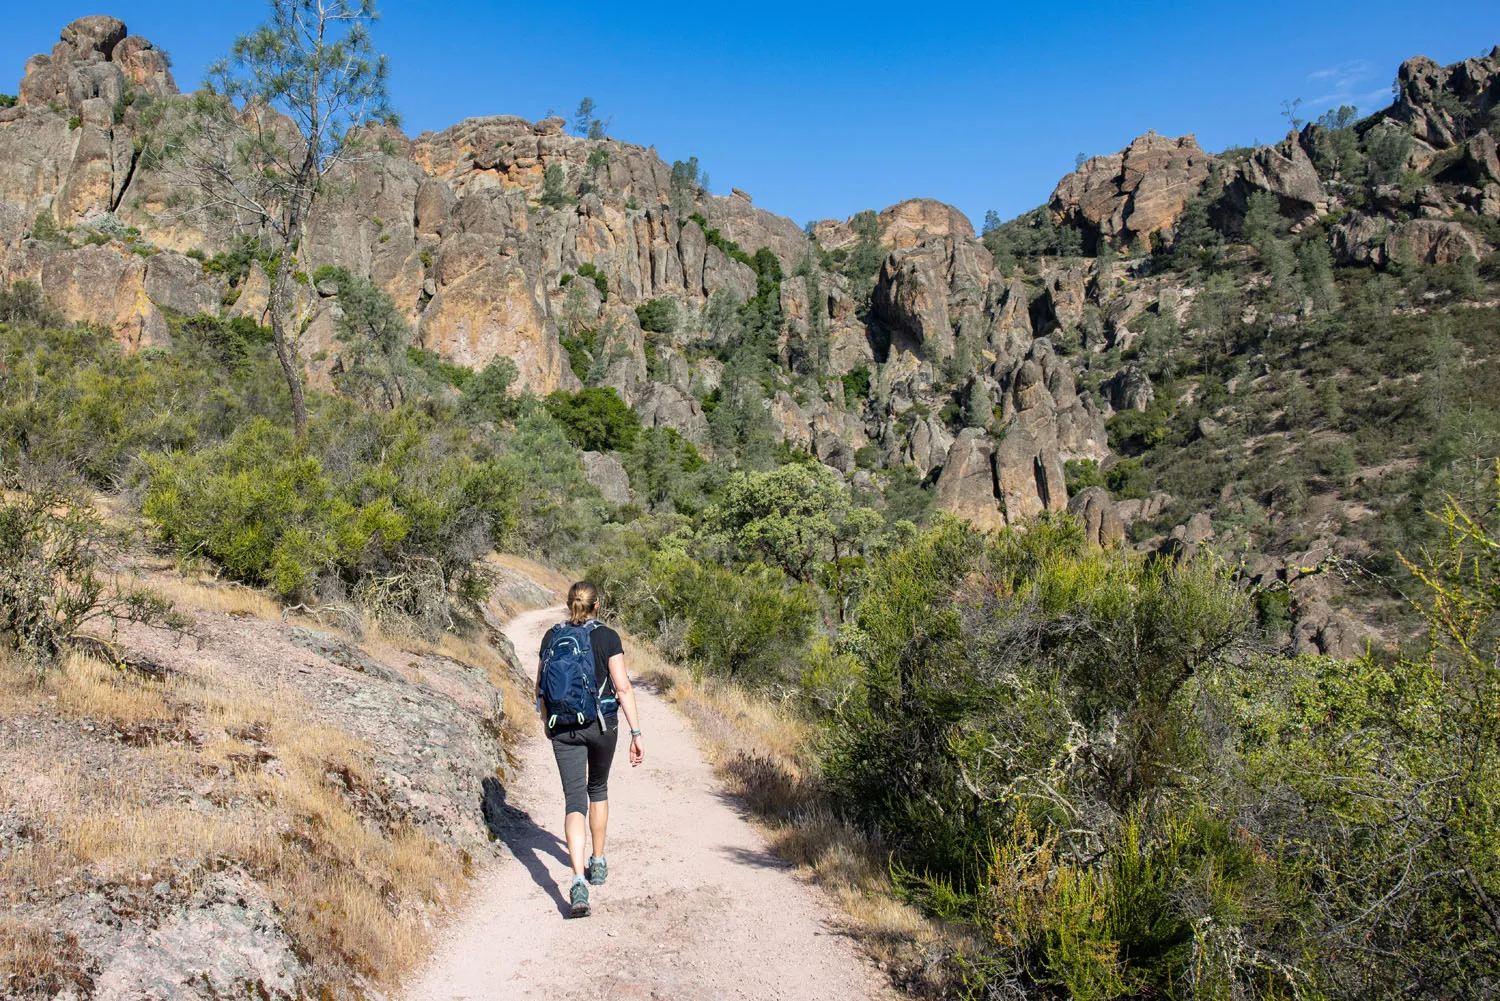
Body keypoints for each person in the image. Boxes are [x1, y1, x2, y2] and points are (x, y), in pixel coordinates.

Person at [536, 581, 644, 918]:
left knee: (573, 801)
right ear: (597, 606)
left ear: (569, 605)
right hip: (601, 725)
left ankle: (578, 879)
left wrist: (547, 723)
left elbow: (540, 690)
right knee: (597, 788)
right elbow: (623, 687)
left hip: (563, 726)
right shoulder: (607, 637)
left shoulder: (551, 636)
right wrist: (636, 732)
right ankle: (597, 862)